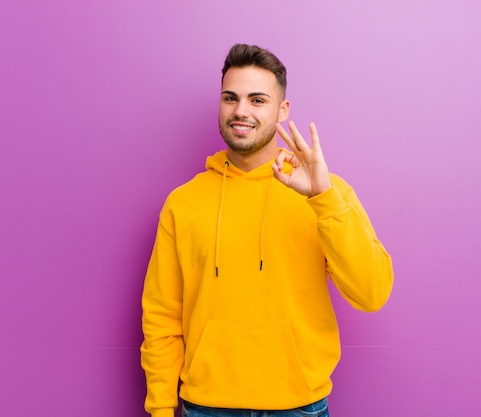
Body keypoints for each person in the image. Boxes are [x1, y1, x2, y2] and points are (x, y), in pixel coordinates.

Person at [140, 43, 393, 417]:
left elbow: (371, 293)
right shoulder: (183, 203)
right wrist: (160, 408)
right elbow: (161, 315)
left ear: (282, 109)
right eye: (231, 98)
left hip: (299, 407)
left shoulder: (327, 192)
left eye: (257, 100)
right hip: (207, 407)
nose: (241, 111)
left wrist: (322, 198)